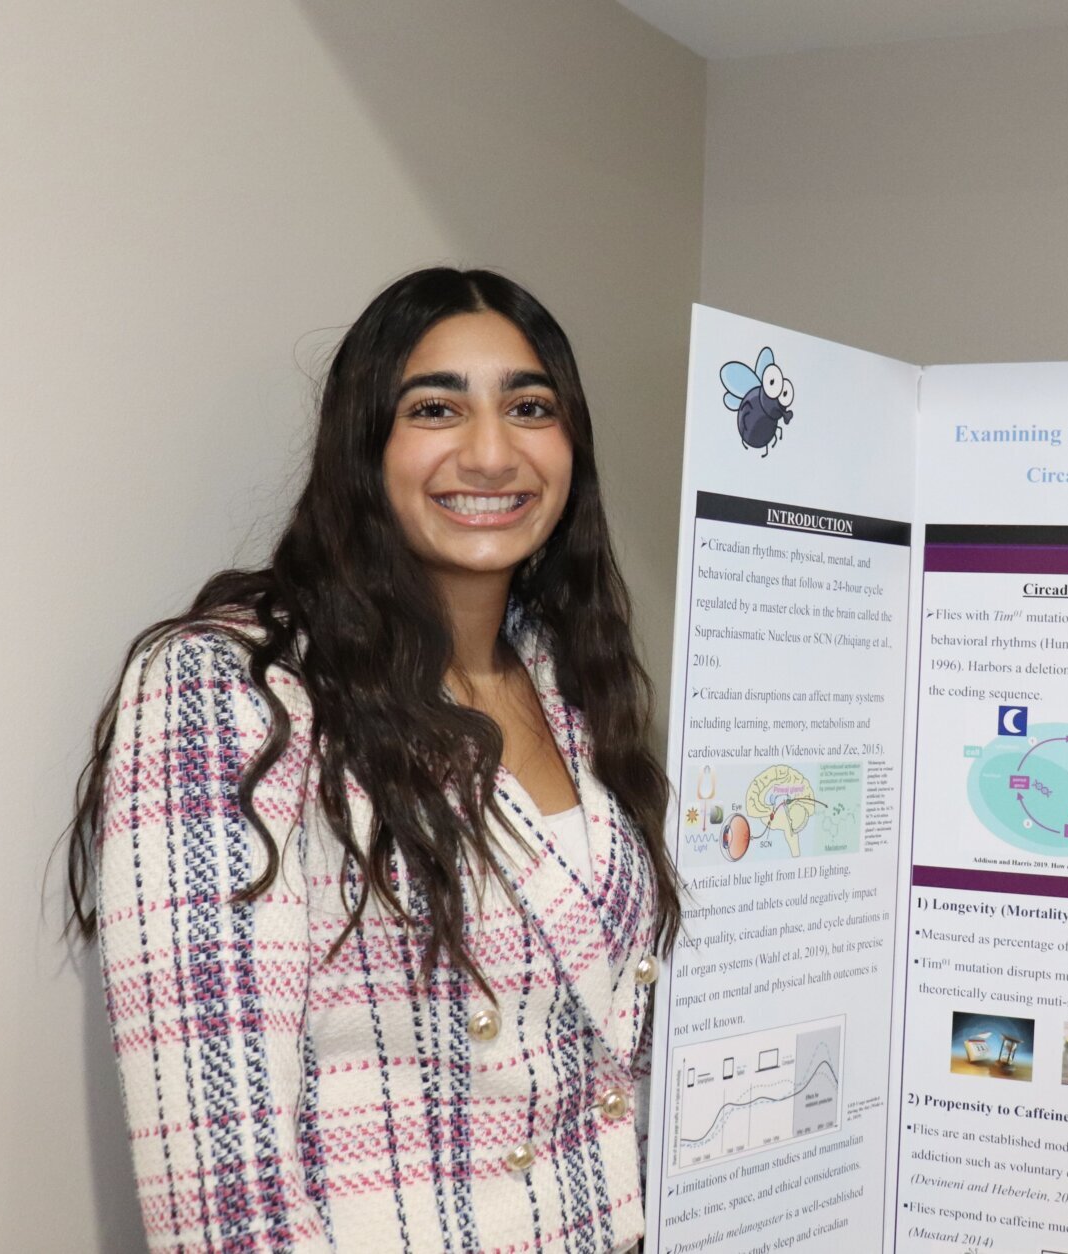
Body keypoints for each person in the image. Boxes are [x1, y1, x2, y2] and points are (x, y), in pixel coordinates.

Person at [63, 267, 679, 1252]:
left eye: (530, 406)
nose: (491, 453)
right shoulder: (229, 689)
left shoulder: (567, 680)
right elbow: (221, 1187)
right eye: (435, 408)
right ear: (365, 446)